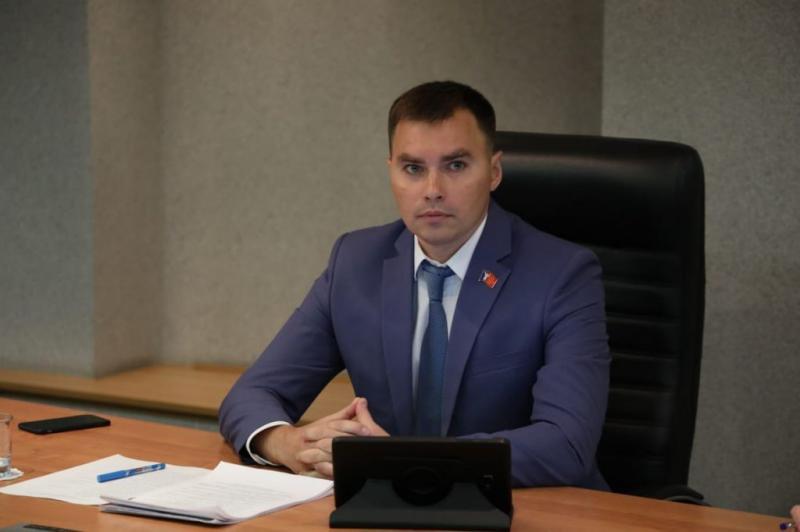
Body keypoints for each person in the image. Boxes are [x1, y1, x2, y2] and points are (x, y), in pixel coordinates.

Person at [219, 80, 610, 489]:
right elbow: (251, 394)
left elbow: (566, 444)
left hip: (525, 507)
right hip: (387, 506)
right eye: (413, 169)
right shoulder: (356, 262)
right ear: (391, 170)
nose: (432, 191)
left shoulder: (563, 274)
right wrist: (288, 443)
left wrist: (404, 462)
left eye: (455, 166)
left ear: (494, 171)